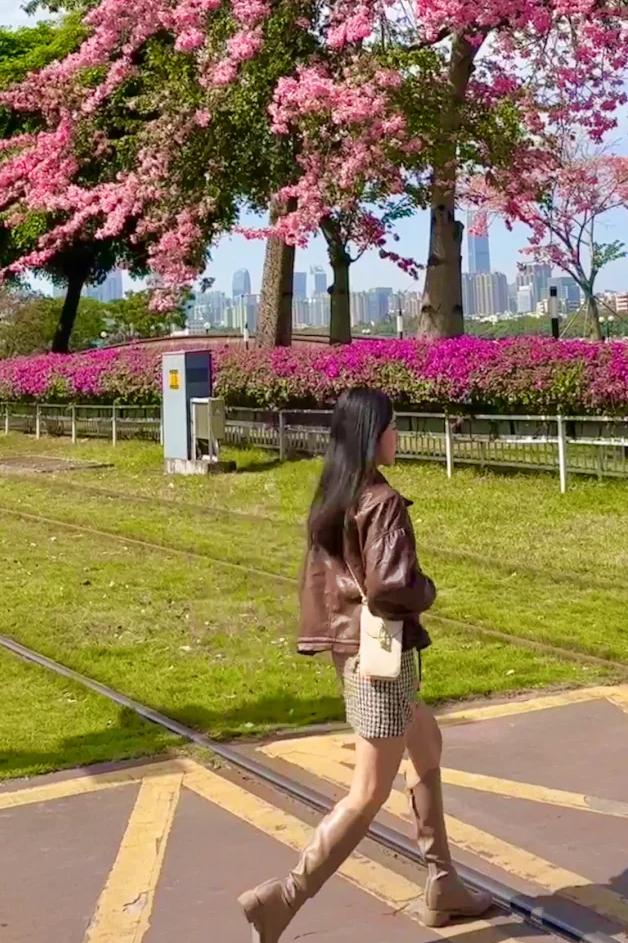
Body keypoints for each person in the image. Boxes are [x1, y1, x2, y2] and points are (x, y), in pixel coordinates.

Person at [238, 386, 492, 941]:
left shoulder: (336, 494)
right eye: (393, 426)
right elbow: (390, 587)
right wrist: (427, 589)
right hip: (380, 659)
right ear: (372, 434)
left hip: (352, 653)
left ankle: (442, 882)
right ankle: (284, 897)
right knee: (367, 792)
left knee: (426, 742)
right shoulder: (381, 501)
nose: (398, 435)